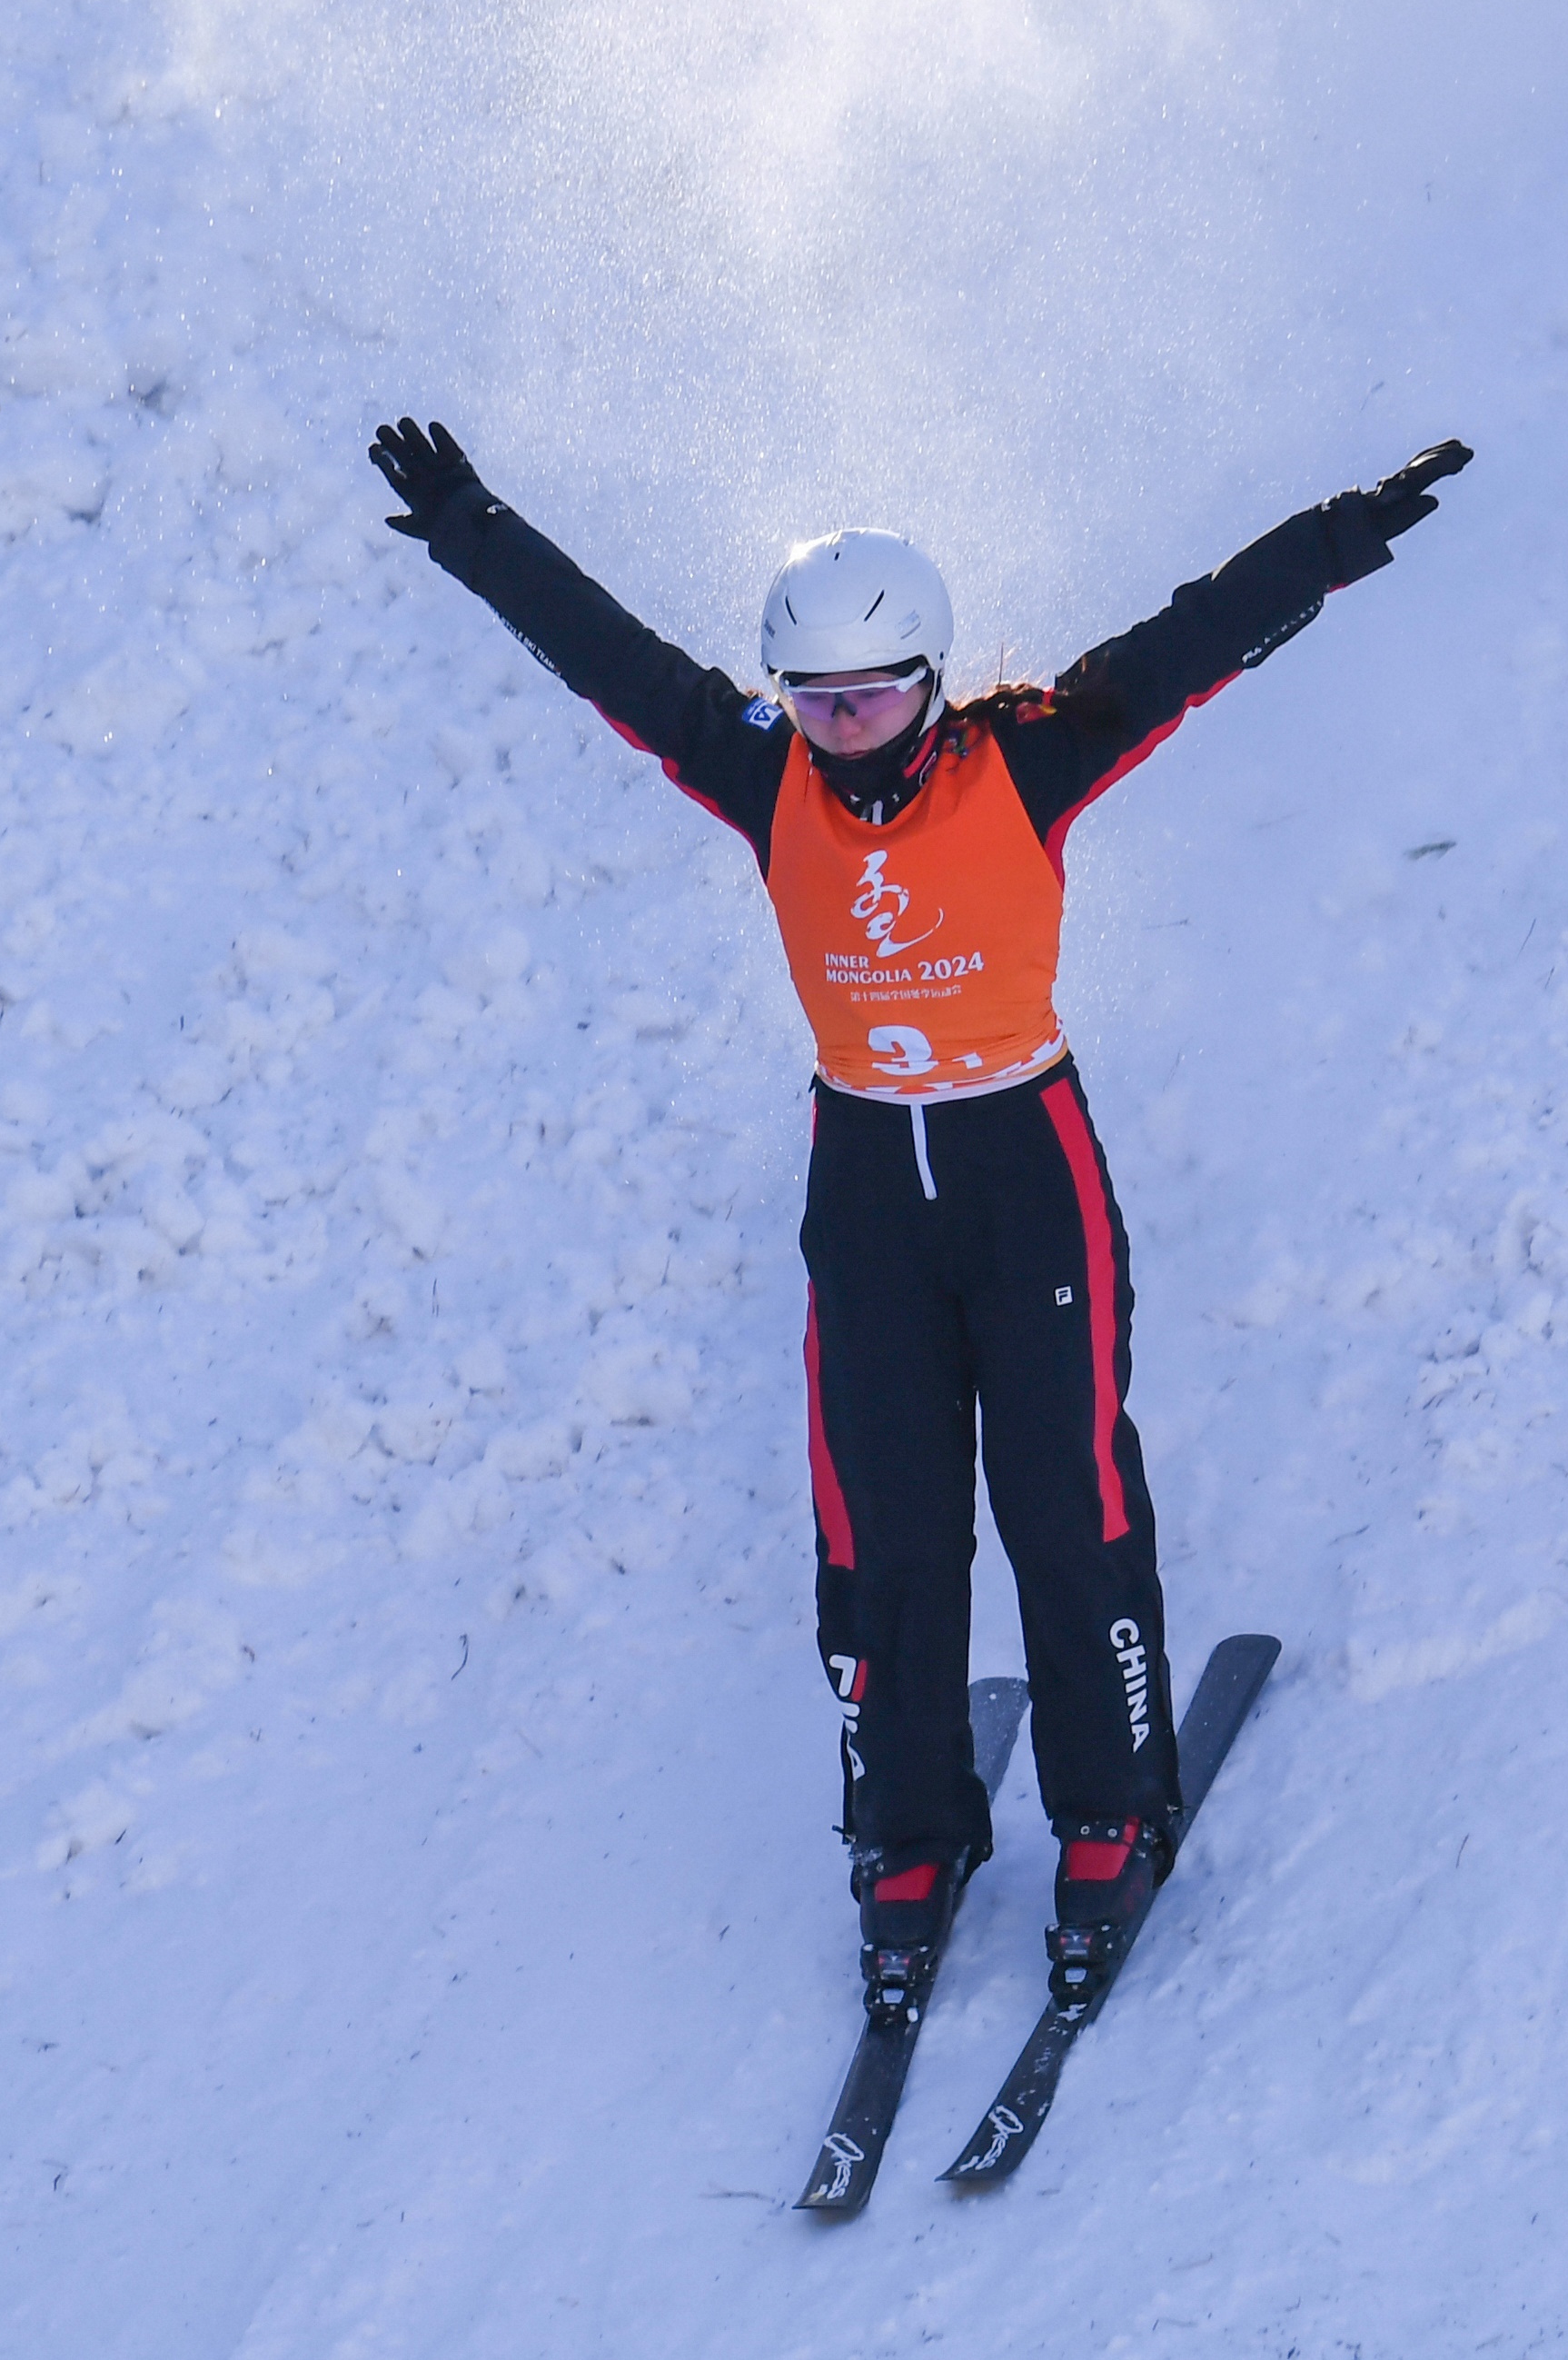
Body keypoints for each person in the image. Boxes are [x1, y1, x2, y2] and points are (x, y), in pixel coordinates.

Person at [365, 417, 1473, 2023]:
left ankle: (1111, 1808)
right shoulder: (767, 774)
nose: (845, 726)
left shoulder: (1027, 752)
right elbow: (612, 663)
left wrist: (1341, 531)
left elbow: (1194, 642)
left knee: (1064, 1497)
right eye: (816, 699)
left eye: (874, 694)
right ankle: (909, 1833)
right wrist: (472, 525)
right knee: (880, 1526)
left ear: (934, 678)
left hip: (1028, 1162)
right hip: (869, 1179)